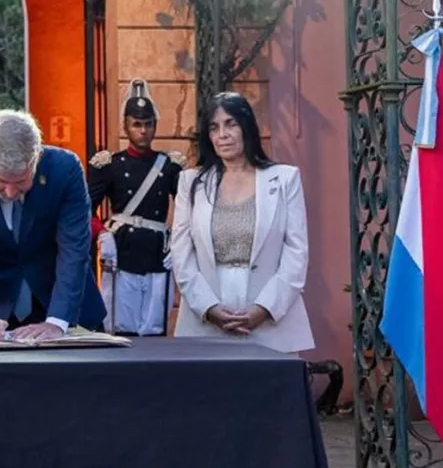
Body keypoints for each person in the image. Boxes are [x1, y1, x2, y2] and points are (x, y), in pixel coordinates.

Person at [0, 109, 107, 341]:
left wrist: (57, 322)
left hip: (68, 313)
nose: (10, 192)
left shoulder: (65, 170)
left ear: (36, 157)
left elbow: (74, 251)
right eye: (0, 181)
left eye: (20, 182)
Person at [169, 91, 314, 353]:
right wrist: (209, 308)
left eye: (231, 124)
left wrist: (264, 309)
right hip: (206, 322)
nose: (222, 135)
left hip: (271, 324)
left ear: (246, 127)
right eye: (214, 128)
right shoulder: (191, 183)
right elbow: (181, 255)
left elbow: (296, 252)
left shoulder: (284, 180)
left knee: (269, 392)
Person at [88, 79, 185, 336]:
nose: (143, 130)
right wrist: (102, 233)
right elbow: (85, 209)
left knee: (154, 328)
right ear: (126, 127)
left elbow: (188, 209)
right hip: (122, 253)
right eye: (137, 124)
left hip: (156, 252)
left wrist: (177, 239)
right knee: (121, 327)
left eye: (148, 124)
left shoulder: (169, 166)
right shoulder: (110, 165)